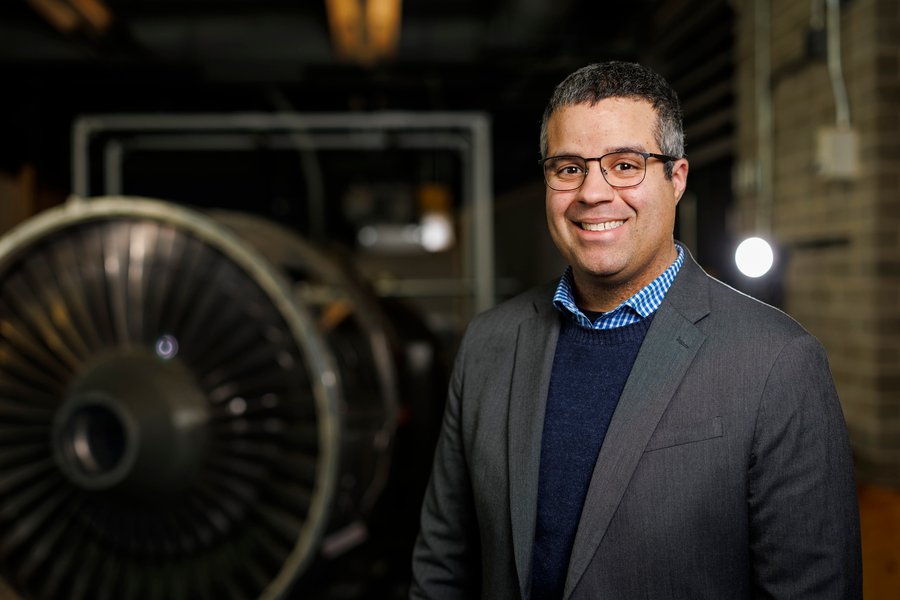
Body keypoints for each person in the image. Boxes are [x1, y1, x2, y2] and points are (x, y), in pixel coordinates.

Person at [409, 61, 862, 599]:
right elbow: (442, 566)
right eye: (569, 167)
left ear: (676, 179)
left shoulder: (777, 362)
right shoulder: (488, 344)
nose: (593, 193)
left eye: (625, 164)